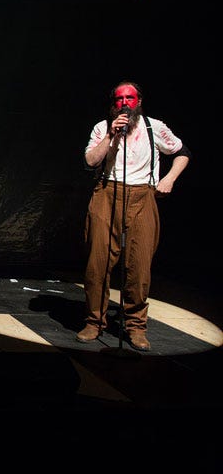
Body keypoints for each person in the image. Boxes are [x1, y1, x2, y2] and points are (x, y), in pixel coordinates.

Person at [76, 81, 190, 351]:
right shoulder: (102, 128)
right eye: (119, 99)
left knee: (139, 266)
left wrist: (170, 179)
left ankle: (136, 326)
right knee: (98, 263)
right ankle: (94, 321)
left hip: (142, 196)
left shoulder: (155, 127)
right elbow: (90, 162)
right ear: (113, 104)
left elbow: (183, 153)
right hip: (107, 192)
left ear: (139, 100)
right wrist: (111, 137)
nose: (124, 103)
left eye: (130, 97)